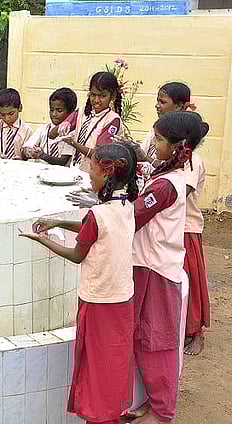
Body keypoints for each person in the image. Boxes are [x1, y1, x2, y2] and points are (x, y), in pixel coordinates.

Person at [21, 142, 139, 424]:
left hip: (98, 302)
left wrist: (42, 240)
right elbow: (93, 231)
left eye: (91, 170)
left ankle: (99, 416)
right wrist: (59, 222)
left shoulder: (98, 214)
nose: (89, 177)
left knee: (95, 363)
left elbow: (77, 254)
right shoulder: (125, 205)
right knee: (114, 359)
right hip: (122, 298)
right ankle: (111, 411)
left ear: (106, 174)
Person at [131, 111, 209, 424]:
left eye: (160, 140)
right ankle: (152, 403)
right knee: (144, 337)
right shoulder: (167, 174)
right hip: (150, 264)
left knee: (157, 343)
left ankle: (162, 412)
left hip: (156, 270)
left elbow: (134, 216)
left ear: (179, 146)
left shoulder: (166, 186)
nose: (154, 144)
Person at [50, 71, 124, 172]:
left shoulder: (112, 120)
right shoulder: (82, 112)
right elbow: (51, 135)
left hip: (96, 174)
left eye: (102, 96)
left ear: (112, 96)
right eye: (93, 95)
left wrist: (73, 143)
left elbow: (99, 154)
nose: (96, 100)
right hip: (76, 169)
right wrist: (62, 127)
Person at [182, 142, 210, 355]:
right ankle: (184, 328)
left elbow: (180, 193)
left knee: (191, 280)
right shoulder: (176, 159)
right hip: (172, 227)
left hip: (187, 227)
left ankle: (196, 332)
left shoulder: (193, 161)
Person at [137, 82, 196, 175]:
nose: (157, 105)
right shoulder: (157, 127)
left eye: (162, 102)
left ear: (178, 106)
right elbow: (143, 151)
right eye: (157, 101)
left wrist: (146, 158)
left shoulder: (184, 136)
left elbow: (174, 168)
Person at [23, 87, 77, 166]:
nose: (54, 114)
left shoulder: (72, 133)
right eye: (51, 110)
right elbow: (26, 148)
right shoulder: (43, 129)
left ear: (71, 113)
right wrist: (29, 151)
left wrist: (43, 156)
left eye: (59, 111)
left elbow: (63, 161)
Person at [0, 88, 32, 159]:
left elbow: (27, 155)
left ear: (20, 108)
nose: (7, 118)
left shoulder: (27, 131)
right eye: (2, 115)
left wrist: (21, 158)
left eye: (11, 113)